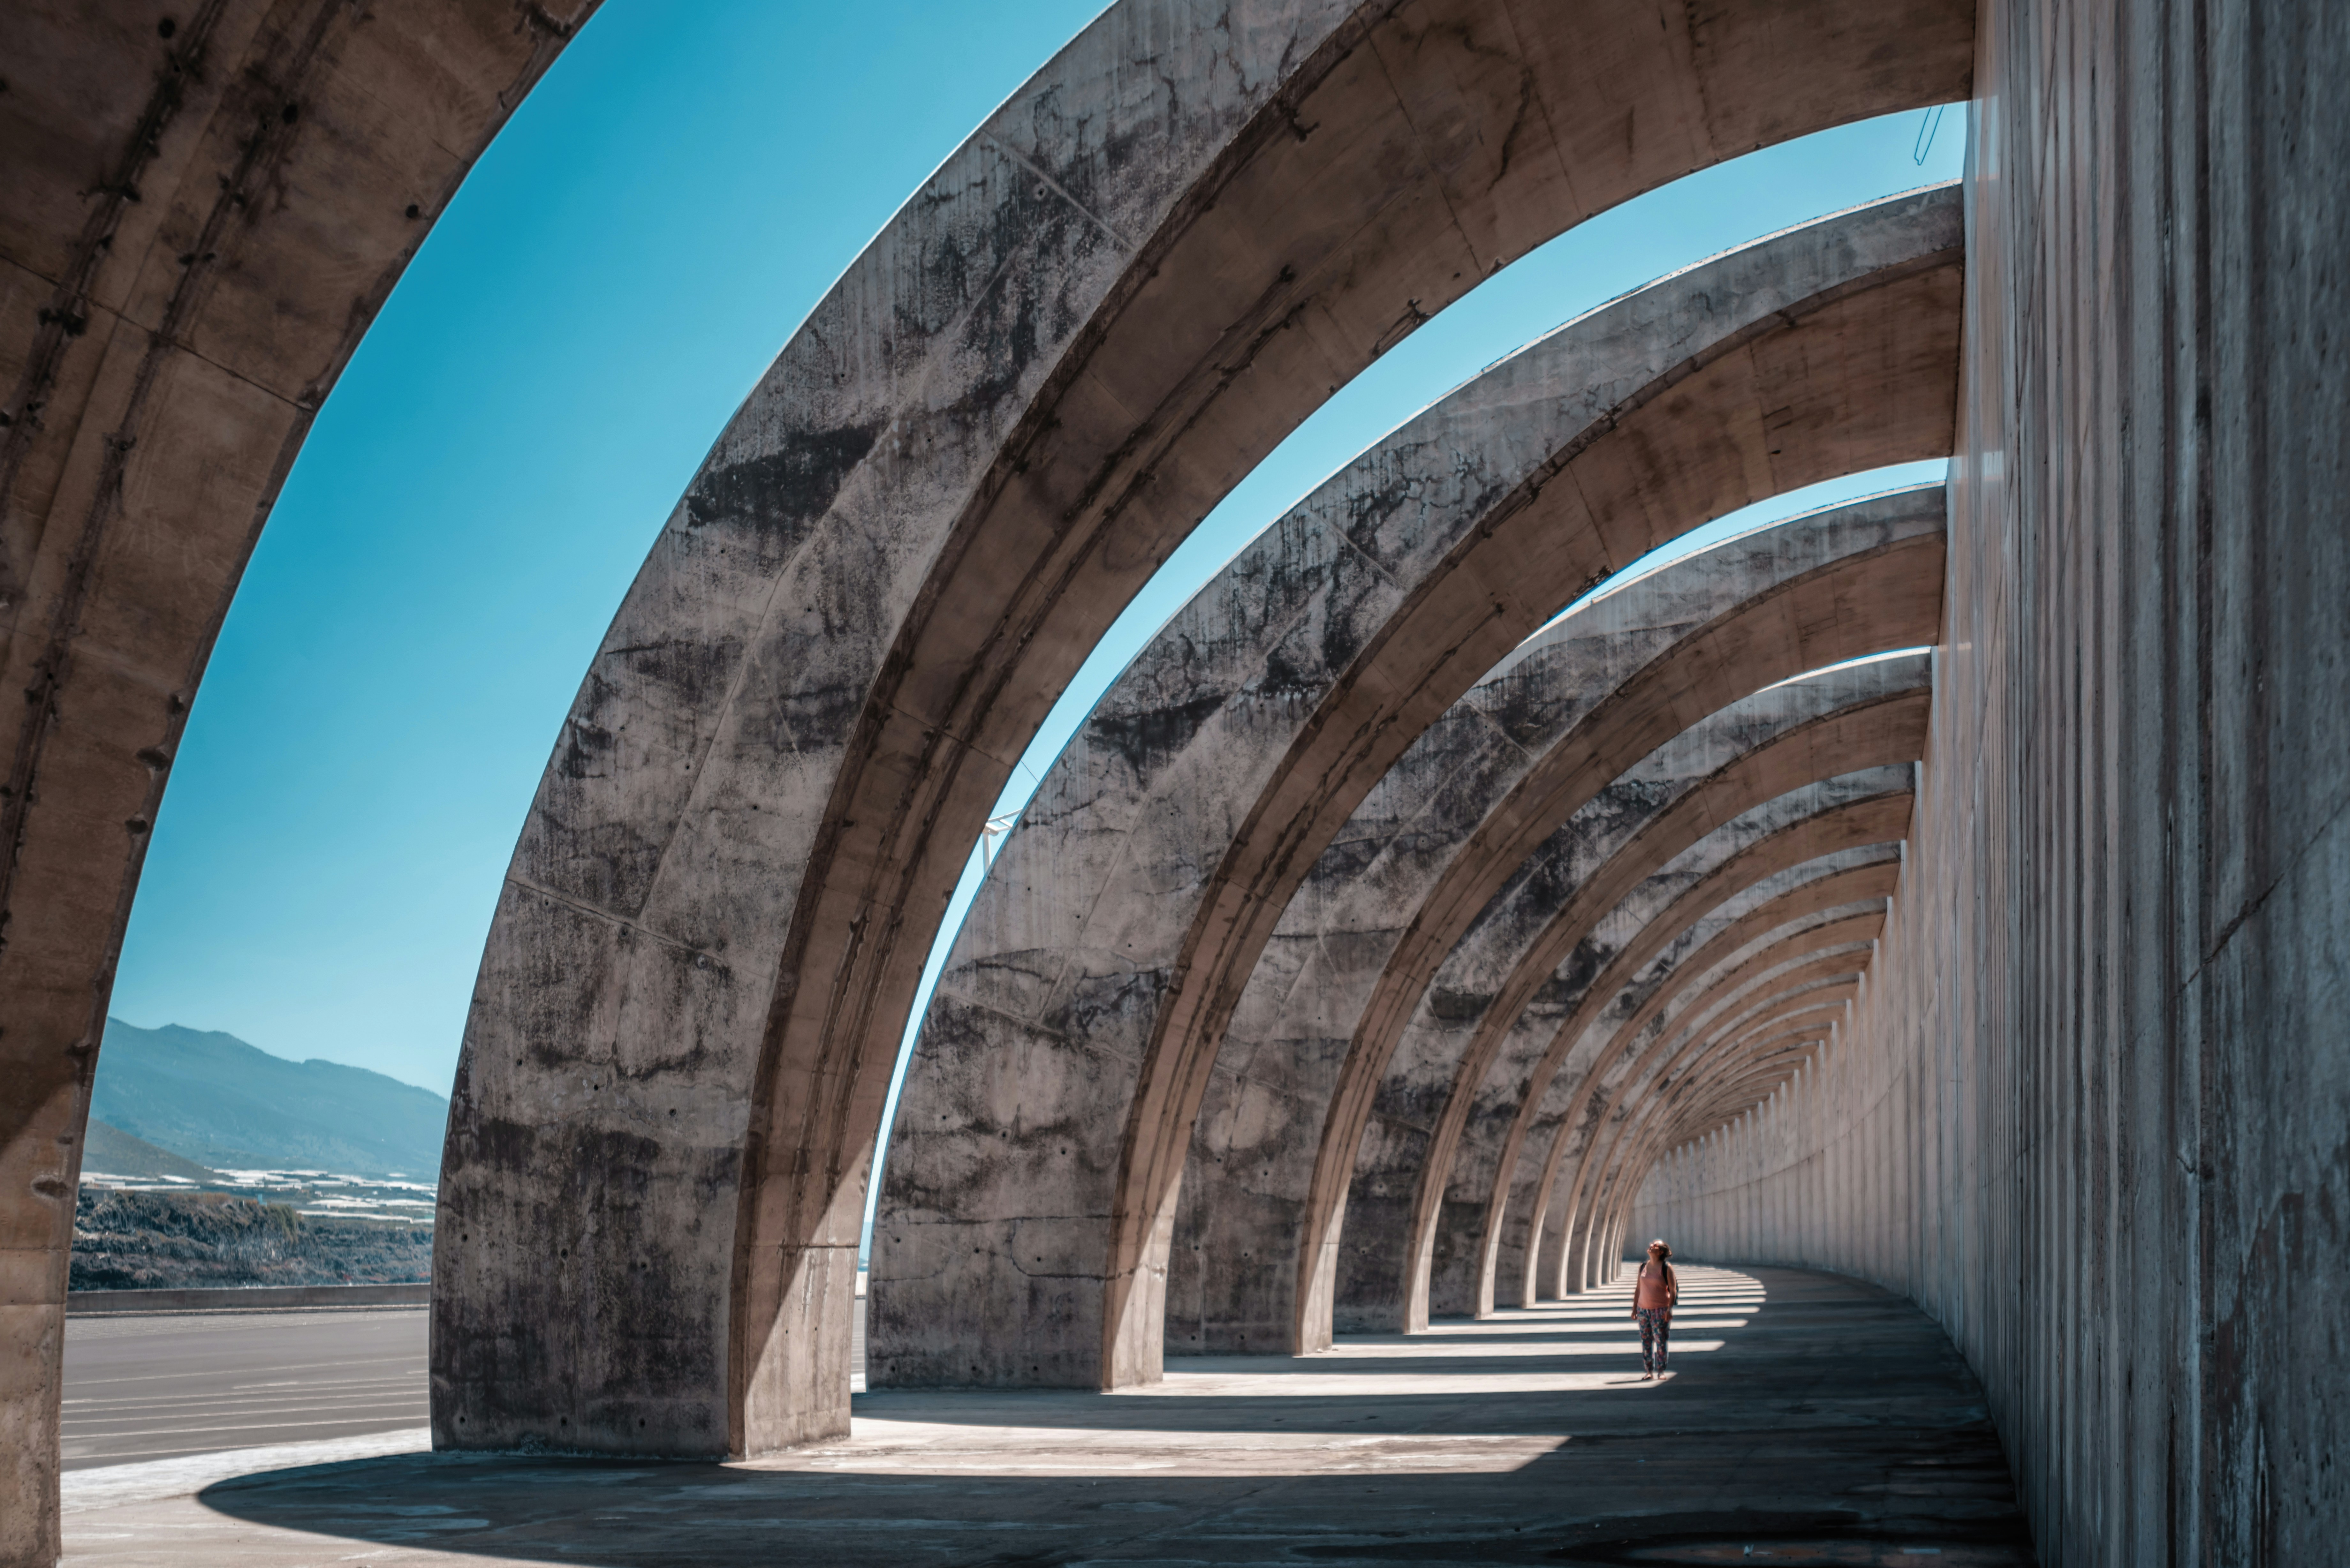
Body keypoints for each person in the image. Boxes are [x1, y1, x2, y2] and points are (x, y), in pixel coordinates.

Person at [1630, 1239, 1678, 1379]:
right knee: (1646, 1341)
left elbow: (1673, 1290)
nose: (1652, 1246)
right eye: (1652, 1245)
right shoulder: (1643, 1267)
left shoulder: (1666, 1268)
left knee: (1661, 1341)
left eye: (1656, 1246)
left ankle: (1661, 1371)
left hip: (1660, 1310)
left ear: (1661, 1252)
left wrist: (1669, 1309)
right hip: (1643, 1310)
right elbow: (1639, 1289)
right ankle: (1649, 1371)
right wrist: (1634, 1309)